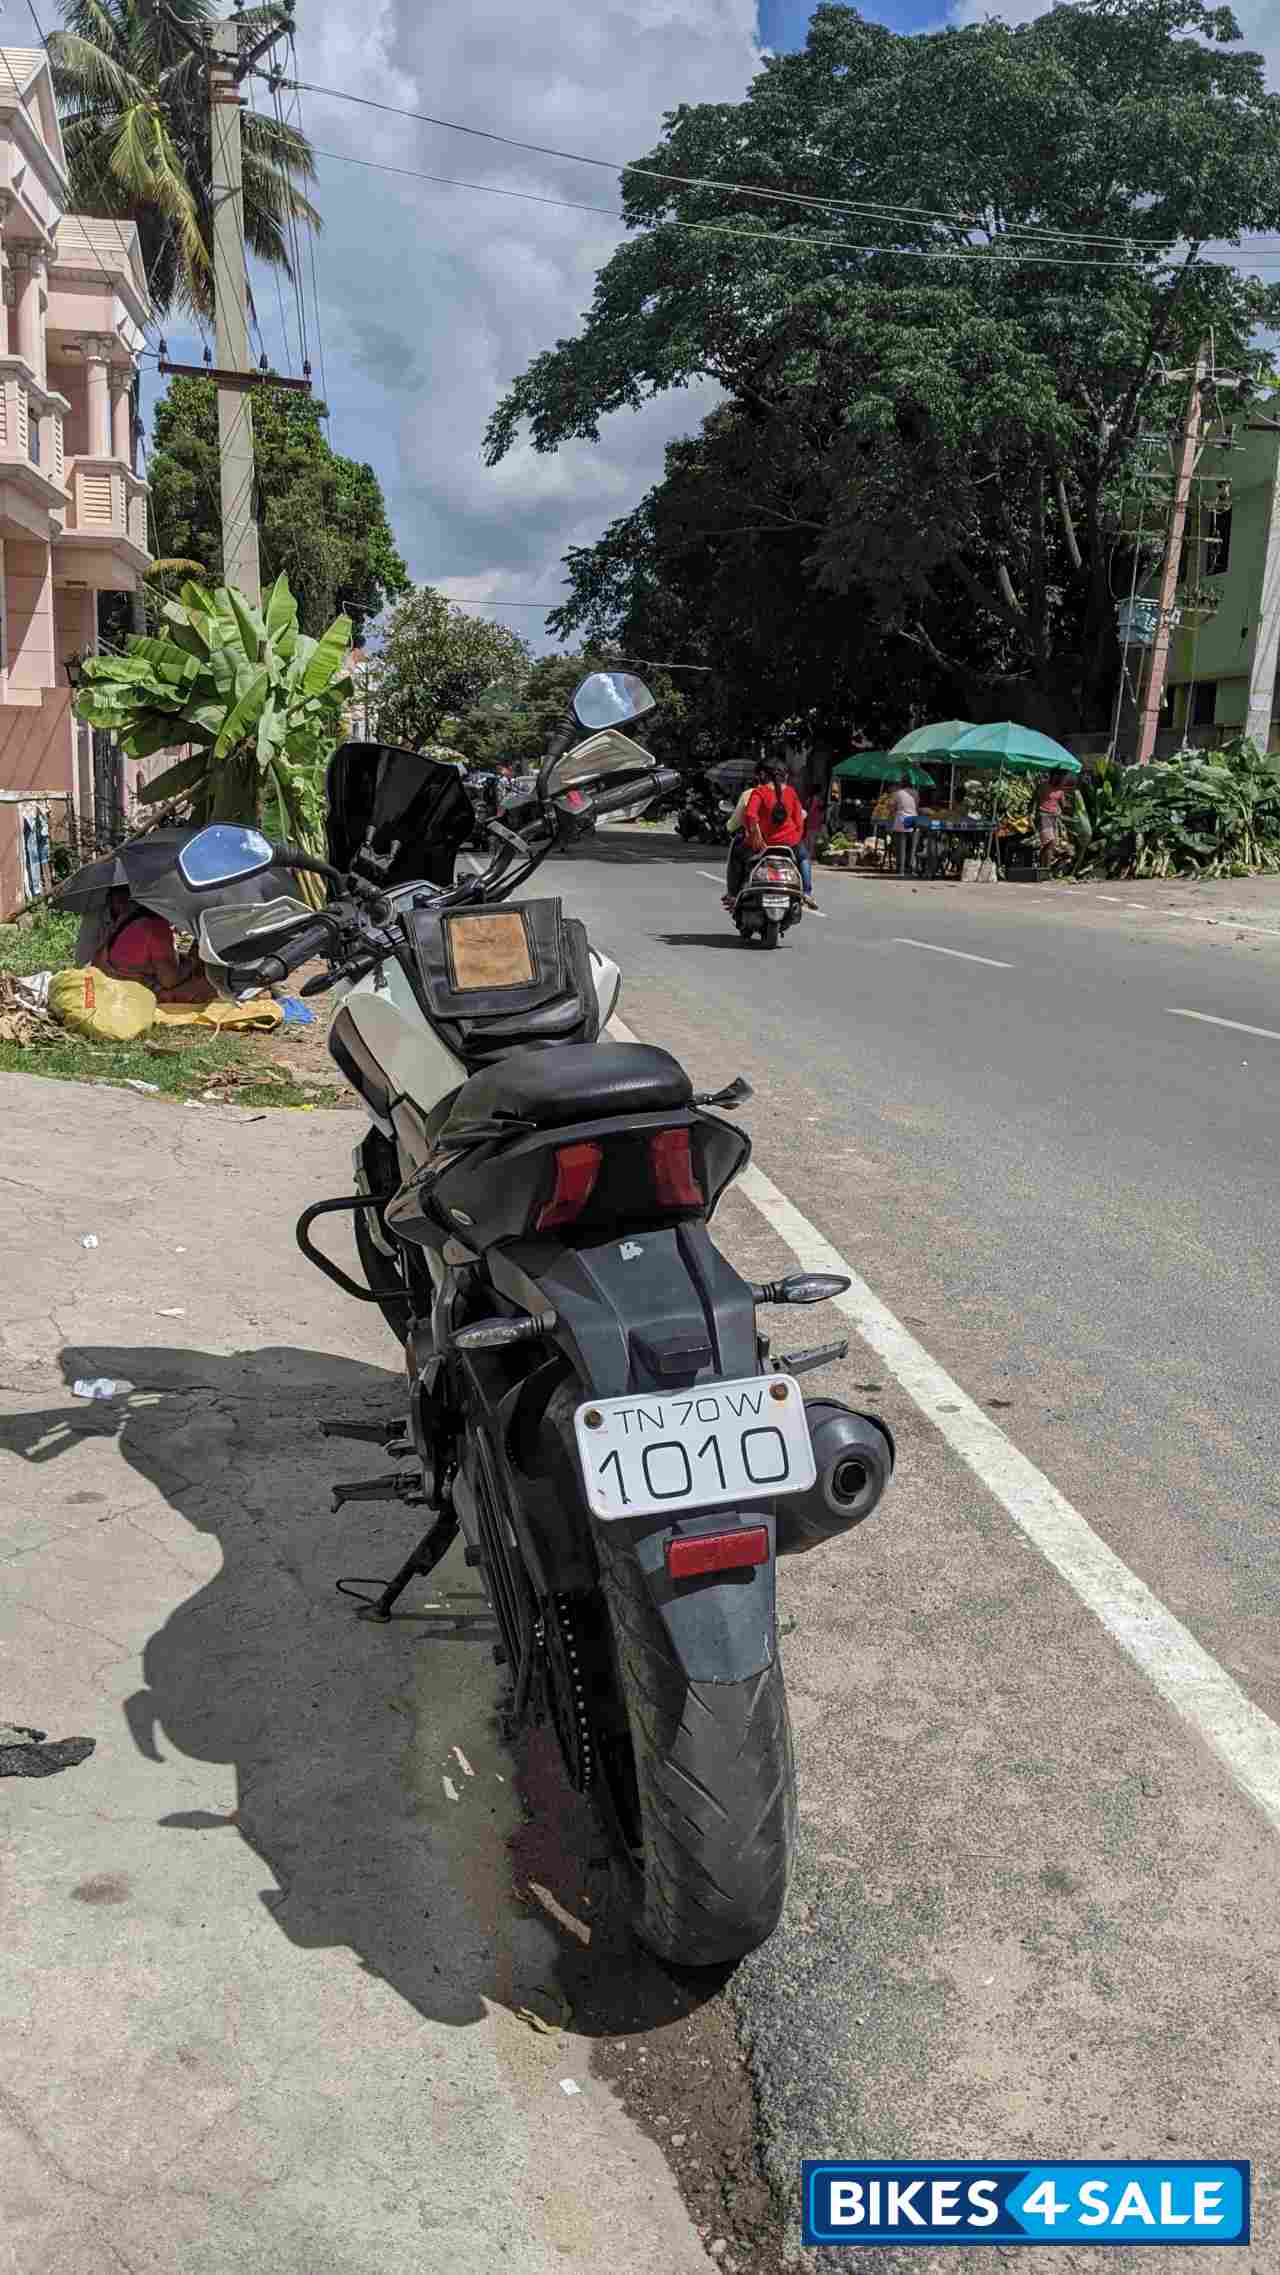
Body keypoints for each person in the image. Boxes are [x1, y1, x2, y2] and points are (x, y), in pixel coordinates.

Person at [95, 888, 216, 1004]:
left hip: (112, 985)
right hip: (121, 993)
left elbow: (181, 947)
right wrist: (192, 963)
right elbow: (169, 980)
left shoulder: (135, 917)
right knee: (208, 984)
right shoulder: (157, 927)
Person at [723, 761, 805, 906]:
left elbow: (750, 816)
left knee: (737, 853)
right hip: (789, 845)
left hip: (763, 845)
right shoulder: (791, 793)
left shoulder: (759, 792)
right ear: (784, 776)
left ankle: (733, 895)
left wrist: (756, 837)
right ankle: (805, 892)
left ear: (763, 775)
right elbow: (799, 821)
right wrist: (795, 841)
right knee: (803, 858)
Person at [798, 785, 825, 909]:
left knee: (808, 844)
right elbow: (804, 813)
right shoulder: (816, 800)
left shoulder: (809, 800)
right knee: (805, 857)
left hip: (809, 824)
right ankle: (807, 892)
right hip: (813, 824)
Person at [1037, 771, 1068, 869]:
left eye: (1063, 778)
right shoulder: (1043, 786)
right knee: (1049, 842)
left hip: (1054, 817)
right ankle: (1046, 869)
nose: (1061, 780)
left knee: (1050, 844)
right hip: (1043, 816)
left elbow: (1064, 805)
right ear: (1053, 776)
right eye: (1059, 777)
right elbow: (1035, 799)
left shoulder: (1060, 790)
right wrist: (1032, 813)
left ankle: (1042, 868)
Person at [889, 778, 919, 875]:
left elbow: (892, 807)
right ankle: (910, 868)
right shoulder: (915, 793)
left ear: (902, 784)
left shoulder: (897, 793)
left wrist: (892, 814)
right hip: (913, 819)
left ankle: (901, 869)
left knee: (901, 847)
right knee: (911, 847)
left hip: (901, 820)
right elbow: (916, 806)